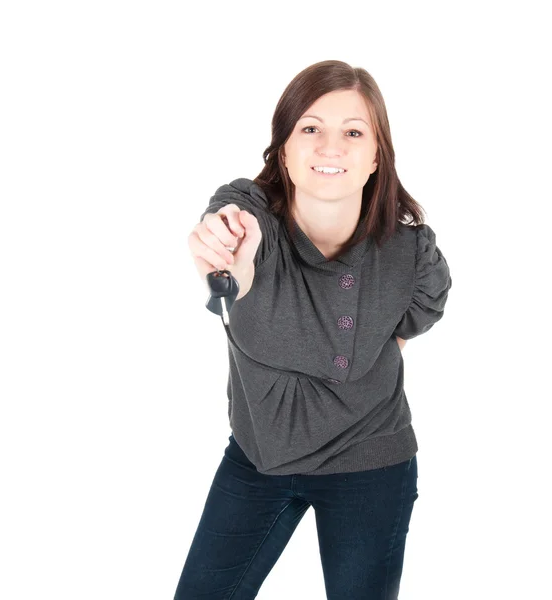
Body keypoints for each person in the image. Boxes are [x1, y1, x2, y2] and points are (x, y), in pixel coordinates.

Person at [176, 60, 452, 599]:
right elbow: (233, 231)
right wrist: (228, 256)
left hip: (371, 466)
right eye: (310, 128)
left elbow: (412, 321)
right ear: (284, 150)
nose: (331, 147)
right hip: (258, 458)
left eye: (353, 132)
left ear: (376, 156)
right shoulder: (250, 223)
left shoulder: (411, 252)